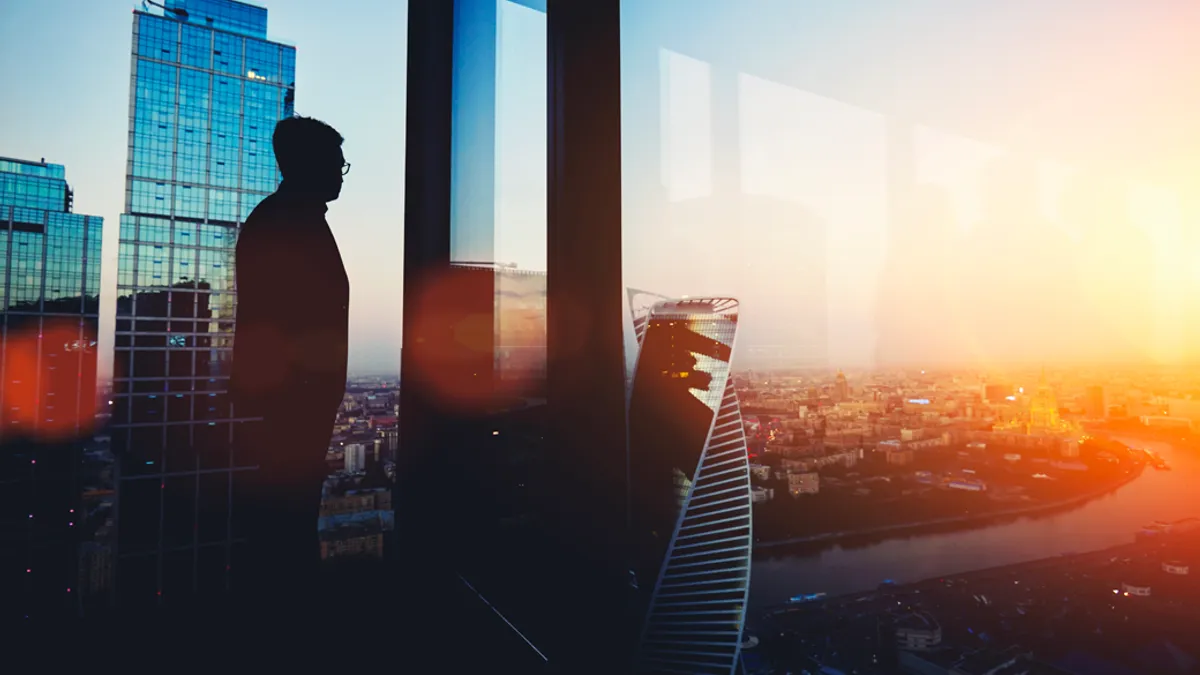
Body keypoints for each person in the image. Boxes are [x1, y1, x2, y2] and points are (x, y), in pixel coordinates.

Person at [227, 115, 349, 619]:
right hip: (290, 404)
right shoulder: (288, 223)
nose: (342, 172)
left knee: (288, 518)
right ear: (308, 165)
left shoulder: (287, 218)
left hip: (291, 401)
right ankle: (290, 619)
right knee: (286, 520)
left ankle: (289, 611)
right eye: (336, 162)